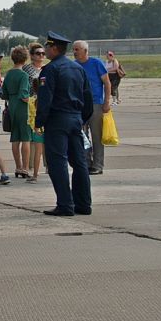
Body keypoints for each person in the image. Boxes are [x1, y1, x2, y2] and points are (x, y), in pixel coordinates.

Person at [35, 33, 94, 217]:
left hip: (57, 120)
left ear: (54, 48)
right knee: (79, 162)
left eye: (47, 46)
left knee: (57, 162)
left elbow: (45, 98)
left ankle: (65, 204)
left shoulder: (50, 70)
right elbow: (88, 98)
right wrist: (81, 118)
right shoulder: (78, 68)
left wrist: (39, 121)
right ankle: (83, 204)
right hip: (76, 119)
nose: (45, 50)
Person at [3, 45, 41, 180]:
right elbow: (24, 95)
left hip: (12, 107)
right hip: (23, 109)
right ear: (25, 59)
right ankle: (25, 168)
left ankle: (18, 166)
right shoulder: (24, 75)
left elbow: (3, 94)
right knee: (26, 138)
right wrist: (34, 101)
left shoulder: (8, 74)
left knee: (15, 138)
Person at [72, 41, 110, 174]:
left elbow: (107, 83)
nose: (74, 52)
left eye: (77, 49)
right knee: (82, 135)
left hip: (95, 103)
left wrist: (106, 102)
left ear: (85, 51)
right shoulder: (74, 65)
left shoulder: (96, 63)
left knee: (96, 135)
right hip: (79, 105)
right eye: (73, 49)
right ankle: (86, 163)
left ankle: (98, 165)